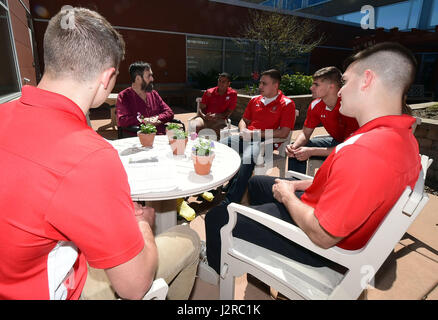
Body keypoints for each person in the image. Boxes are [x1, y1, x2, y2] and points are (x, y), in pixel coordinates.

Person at [0, 7, 200, 300]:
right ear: (107, 78)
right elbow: (134, 286)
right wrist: (142, 222)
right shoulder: (89, 156)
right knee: (189, 239)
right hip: (49, 290)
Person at [203, 42, 421, 277]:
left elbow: (323, 235)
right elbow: (341, 184)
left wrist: (288, 196)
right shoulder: (398, 136)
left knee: (218, 217)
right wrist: (295, 185)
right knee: (257, 184)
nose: (340, 91)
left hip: (315, 246)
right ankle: (255, 236)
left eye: (345, 82)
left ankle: (216, 270)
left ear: (367, 80)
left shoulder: (366, 152)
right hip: (319, 207)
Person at [220, 69, 296, 206]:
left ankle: (231, 199)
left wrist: (254, 134)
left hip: (265, 142)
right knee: (220, 146)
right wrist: (243, 130)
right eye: (260, 83)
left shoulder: (287, 104)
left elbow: (283, 133)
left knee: (247, 159)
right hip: (246, 137)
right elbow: (244, 120)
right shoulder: (255, 100)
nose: (260, 86)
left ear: (275, 85)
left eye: (264, 83)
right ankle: (225, 183)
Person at [287, 67, 359, 174]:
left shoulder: (350, 106)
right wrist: (295, 146)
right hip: (336, 141)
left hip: (357, 148)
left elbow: (349, 147)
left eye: (316, 84)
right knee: (298, 149)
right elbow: (305, 133)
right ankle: (294, 185)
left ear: (331, 86)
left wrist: (312, 151)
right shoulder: (315, 105)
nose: (311, 88)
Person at [116, 61, 174, 135]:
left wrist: (157, 118)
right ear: (138, 79)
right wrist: (144, 121)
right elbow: (122, 120)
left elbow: (169, 112)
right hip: (137, 140)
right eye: (149, 76)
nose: (152, 79)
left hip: (161, 137)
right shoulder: (124, 96)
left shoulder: (154, 94)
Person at [191, 72, 237, 137]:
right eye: (219, 81)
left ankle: (217, 146)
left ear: (228, 83)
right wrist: (204, 116)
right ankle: (194, 145)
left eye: (223, 82)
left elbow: (230, 111)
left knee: (224, 133)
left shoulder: (232, 94)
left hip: (219, 121)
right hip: (204, 120)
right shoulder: (209, 92)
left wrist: (219, 115)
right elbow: (201, 109)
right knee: (194, 126)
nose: (220, 83)